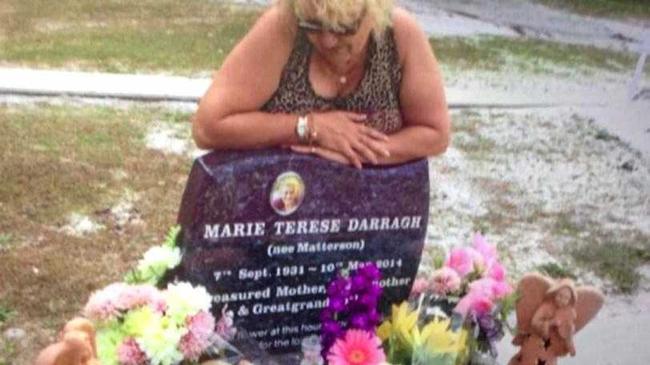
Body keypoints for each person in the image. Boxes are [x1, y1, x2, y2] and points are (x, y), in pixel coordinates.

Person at [193, 0, 450, 169]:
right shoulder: (284, 26)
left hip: (373, 216)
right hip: (276, 208)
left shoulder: (400, 34)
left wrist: (361, 150)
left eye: (343, 28)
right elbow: (208, 127)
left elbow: (435, 134)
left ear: (374, 12)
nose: (327, 41)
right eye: (313, 25)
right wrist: (308, 126)